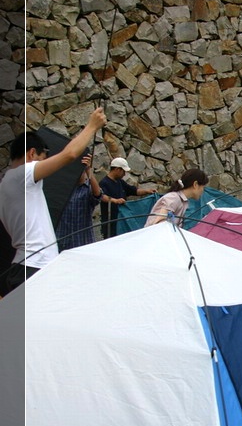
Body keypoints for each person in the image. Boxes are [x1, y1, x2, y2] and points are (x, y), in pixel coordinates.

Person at [0, 107, 107, 293]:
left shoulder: (6, 184)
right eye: (42, 158)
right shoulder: (22, 174)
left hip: (25, 265)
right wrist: (92, 126)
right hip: (33, 266)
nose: (43, 164)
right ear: (31, 154)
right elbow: (69, 155)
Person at [99, 157, 157, 239]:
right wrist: (115, 201)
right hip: (110, 222)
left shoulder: (120, 182)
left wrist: (147, 191)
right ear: (118, 169)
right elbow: (101, 196)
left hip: (122, 221)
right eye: (123, 171)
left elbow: (134, 191)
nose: (124, 174)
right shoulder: (104, 183)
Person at [56, 153, 102, 251]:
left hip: (83, 242)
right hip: (62, 242)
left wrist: (89, 170)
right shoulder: (63, 189)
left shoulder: (87, 188)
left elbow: (97, 194)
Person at [144, 168, 209, 227]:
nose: (203, 191)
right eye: (203, 187)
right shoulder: (173, 198)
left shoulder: (183, 201)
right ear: (195, 184)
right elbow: (159, 222)